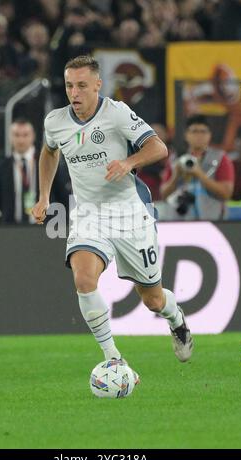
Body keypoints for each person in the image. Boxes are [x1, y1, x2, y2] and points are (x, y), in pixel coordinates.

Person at [32, 55, 193, 379]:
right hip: (89, 213)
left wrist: (129, 162)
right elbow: (49, 152)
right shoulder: (56, 121)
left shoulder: (116, 113)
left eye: (81, 86)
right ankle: (114, 359)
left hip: (130, 213)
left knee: (152, 299)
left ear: (97, 85)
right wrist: (44, 197)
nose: (74, 93)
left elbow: (159, 148)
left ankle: (176, 320)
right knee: (83, 279)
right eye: (68, 86)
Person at [161, 114, 234, 220]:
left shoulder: (220, 158)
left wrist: (200, 174)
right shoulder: (176, 159)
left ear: (210, 135)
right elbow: (164, 195)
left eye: (203, 131)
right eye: (194, 131)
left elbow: (226, 193)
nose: (199, 135)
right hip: (180, 222)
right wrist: (176, 176)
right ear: (186, 135)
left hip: (212, 222)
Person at [0, 118, 38, 224]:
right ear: (10, 137)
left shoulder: (46, 163)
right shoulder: (1, 167)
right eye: (16, 135)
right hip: (11, 229)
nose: (21, 140)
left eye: (25, 135)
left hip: (44, 229)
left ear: (33, 136)